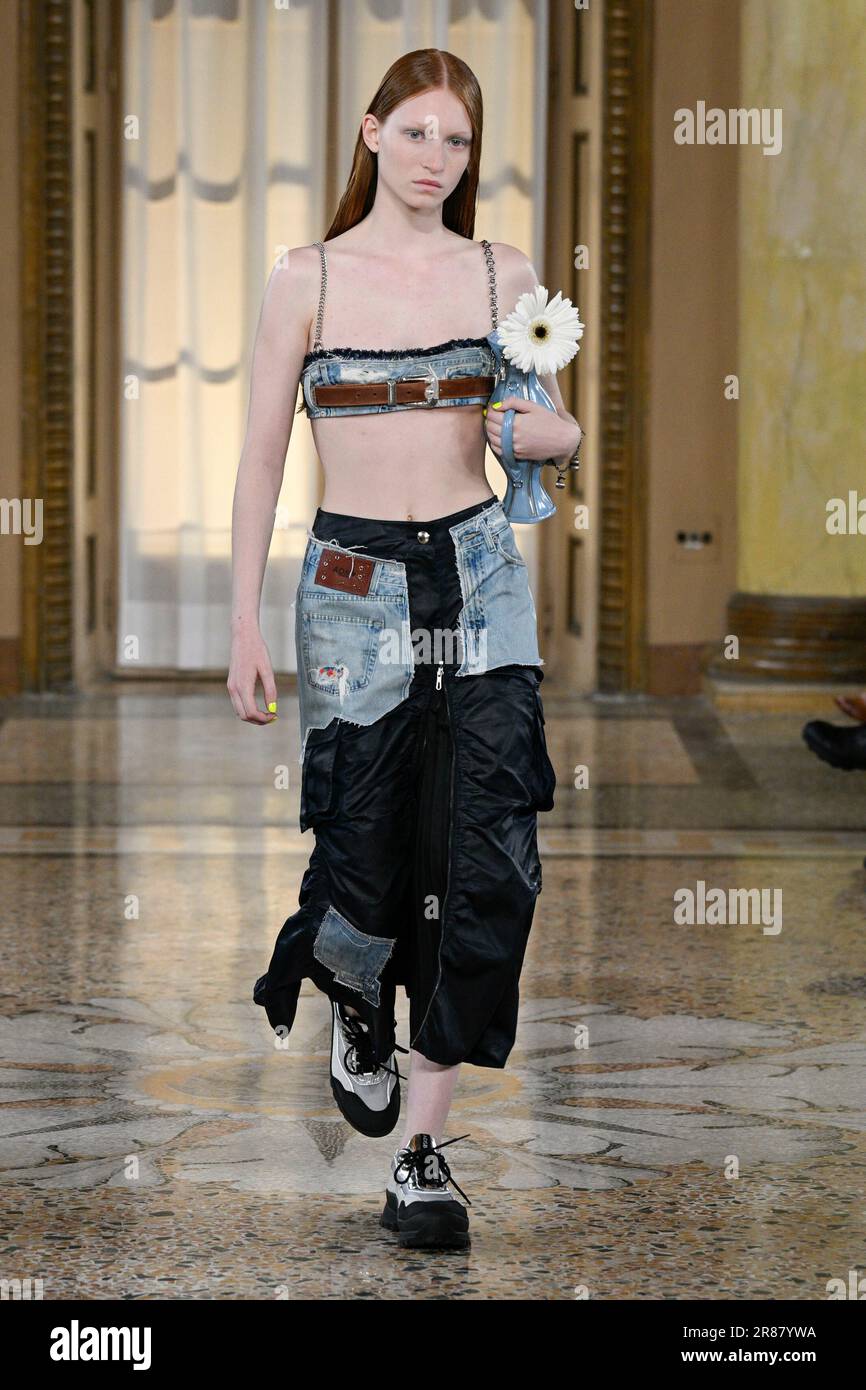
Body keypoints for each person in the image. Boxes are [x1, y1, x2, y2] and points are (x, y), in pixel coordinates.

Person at [227, 48, 581, 1250]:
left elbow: (544, 436)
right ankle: (353, 999)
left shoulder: (500, 274)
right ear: (372, 132)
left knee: (487, 852)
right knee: (363, 840)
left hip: (481, 574)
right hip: (351, 585)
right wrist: (240, 621)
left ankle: (421, 1156)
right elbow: (261, 456)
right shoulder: (307, 277)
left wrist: (556, 433)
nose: (437, 158)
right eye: (417, 132)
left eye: (458, 140)